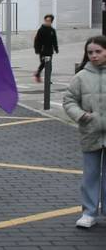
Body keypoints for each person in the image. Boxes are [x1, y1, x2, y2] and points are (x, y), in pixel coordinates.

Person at [63, 36, 106, 229]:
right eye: (90, 52)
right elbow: (69, 100)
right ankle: (89, 213)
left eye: (98, 51)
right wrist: (80, 115)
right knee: (90, 175)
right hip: (90, 132)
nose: (94, 55)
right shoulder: (81, 76)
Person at [34, 14, 59, 83]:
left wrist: (56, 48)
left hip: (49, 50)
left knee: (49, 65)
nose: (47, 22)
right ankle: (38, 73)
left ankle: (48, 79)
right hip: (42, 50)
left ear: (51, 22)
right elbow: (36, 40)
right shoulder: (41, 30)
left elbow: (54, 40)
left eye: (49, 21)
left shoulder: (52, 31)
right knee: (43, 63)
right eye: (46, 20)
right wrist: (37, 49)